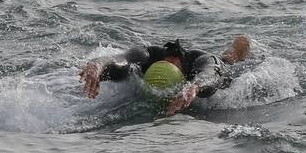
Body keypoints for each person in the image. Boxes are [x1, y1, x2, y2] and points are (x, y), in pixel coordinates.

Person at [79, 35, 251, 116]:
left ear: (180, 64)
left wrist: (195, 87)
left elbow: (211, 75)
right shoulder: (146, 55)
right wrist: (97, 65)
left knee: (229, 59)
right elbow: (119, 62)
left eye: (173, 67)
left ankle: (240, 45)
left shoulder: (202, 61)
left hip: (220, 67)